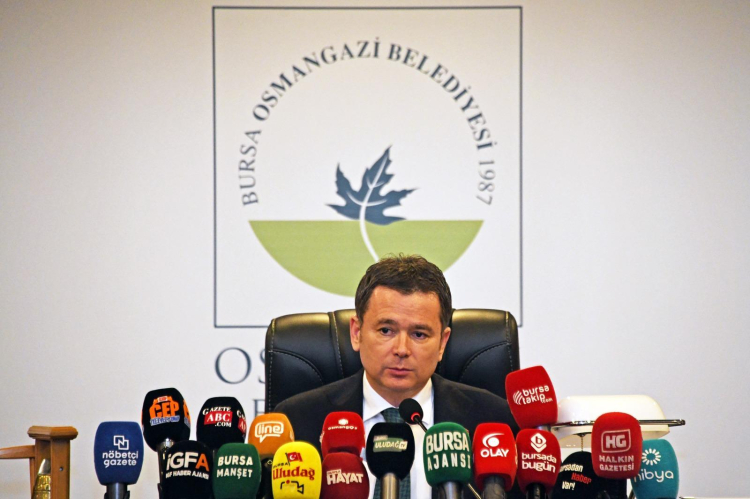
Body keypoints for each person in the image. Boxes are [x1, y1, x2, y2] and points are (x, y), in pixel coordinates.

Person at [274, 254, 519, 499]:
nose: (402, 349)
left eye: (419, 334)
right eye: (386, 330)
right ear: (357, 333)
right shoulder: (298, 422)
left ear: (442, 343)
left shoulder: (496, 424)